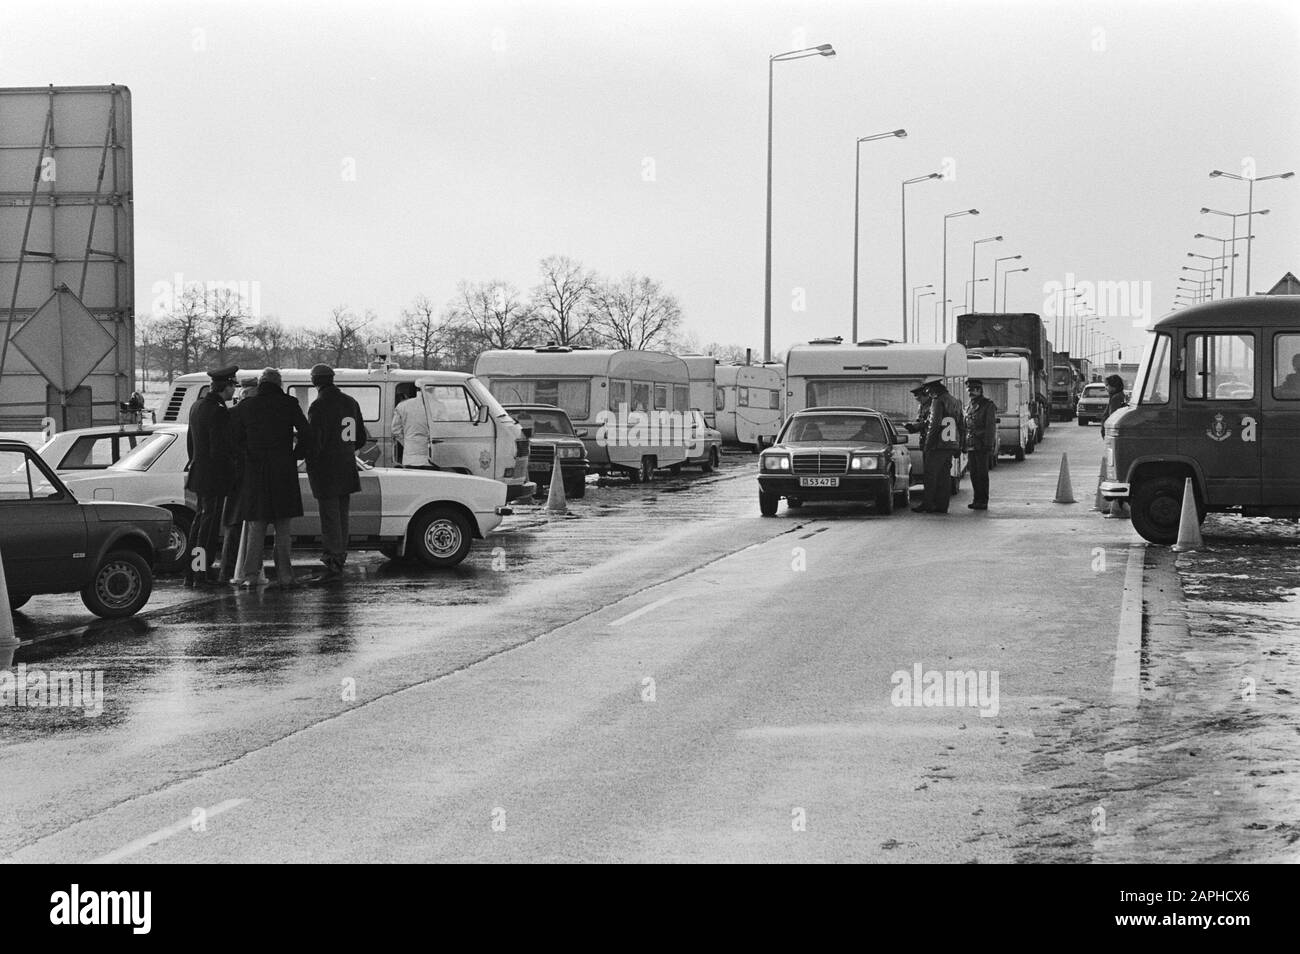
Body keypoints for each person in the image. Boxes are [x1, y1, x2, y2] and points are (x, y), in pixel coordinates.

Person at [231, 368, 314, 589]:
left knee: (256, 528)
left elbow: (234, 439)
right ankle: (286, 576)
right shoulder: (289, 403)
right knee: (283, 529)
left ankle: (250, 576)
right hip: (283, 473)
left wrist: (246, 457)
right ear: (279, 383)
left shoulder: (246, 407)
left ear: (260, 384)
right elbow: (306, 432)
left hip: (255, 474)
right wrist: (297, 454)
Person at [306, 364, 369, 585]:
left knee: (330, 516)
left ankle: (333, 558)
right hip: (347, 466)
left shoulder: (319, 406)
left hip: (326, 469)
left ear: (315, 381)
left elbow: (315, 440)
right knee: (342, 516)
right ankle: (340, 554)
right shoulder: (351, 403)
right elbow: (360, 437)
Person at [184, 366, 239, 585]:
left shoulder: (197, 406)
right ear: (227, 386)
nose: (234, 390)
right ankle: (201, 573)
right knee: (208, 528)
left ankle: (193, 571)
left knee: (199, 524)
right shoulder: (218, 411)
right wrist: (232, 471)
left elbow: (191, 443)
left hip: (199, 473)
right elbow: (220, 449)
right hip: (214, 477)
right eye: (233, 385)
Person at [914, 376, 964, 514]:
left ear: (934, 390)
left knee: (931, 476)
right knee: (945, 477)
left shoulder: (937, 401)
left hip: (937, 445)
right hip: (950, 444)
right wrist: (960, 445)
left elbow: (934, 424)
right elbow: (961, 425)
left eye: (929, 390)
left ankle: (928, 504)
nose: (928, 393)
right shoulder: (956, 402)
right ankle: (943, 505)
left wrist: (928, 445)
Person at [964, 379, 998, 511]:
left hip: (982, 444)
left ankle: (983, 500)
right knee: (973, 473)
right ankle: (976, 499)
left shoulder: (987, 405)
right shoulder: (970, 405)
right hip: (971, 444)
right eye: (969, 390)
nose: (970, 393)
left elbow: (990, 427)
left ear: (979, 390)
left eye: (973, 390)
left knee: (982, 474)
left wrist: (988, 444)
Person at [391, 381, 431, 468]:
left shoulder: (402, 406)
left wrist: (407, 443)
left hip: (410, 456)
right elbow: (442, 430)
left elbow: (395, 431)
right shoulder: (438, 406)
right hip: (431, 457)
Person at [1101, 374, 1128, 438]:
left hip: (1112, 433)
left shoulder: (1116, 398)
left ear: (1114, 386)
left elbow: (1112, 417)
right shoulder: (1120, 395)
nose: (1106, 388)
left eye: (1107, 385)